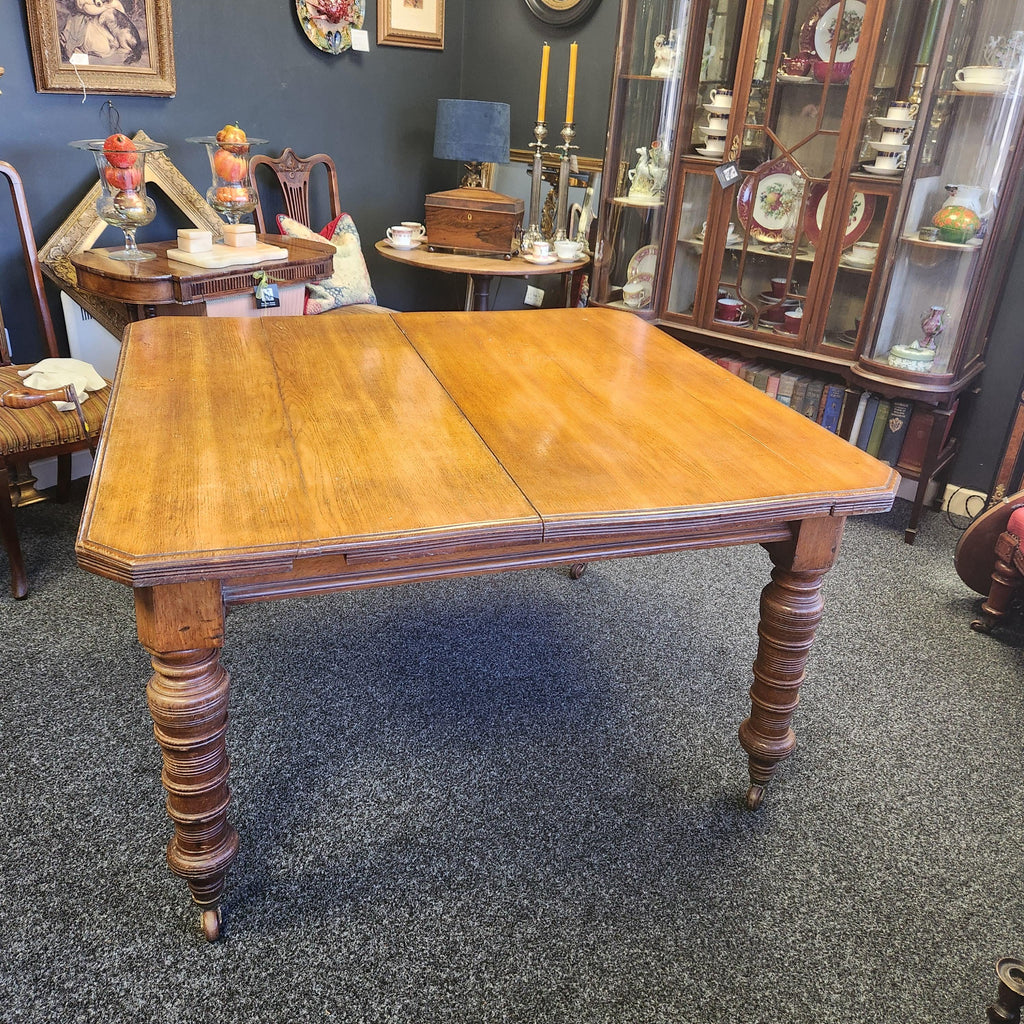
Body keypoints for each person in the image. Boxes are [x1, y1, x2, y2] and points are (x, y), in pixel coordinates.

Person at [61, 0, 141, 64]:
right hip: (88, 22)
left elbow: (118, 17)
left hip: (106, 25)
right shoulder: (105, 7)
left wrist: (105, 7)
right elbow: (86, 8)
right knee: (102, 48)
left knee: (108, 46)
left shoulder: (114, 5)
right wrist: (104, 7)